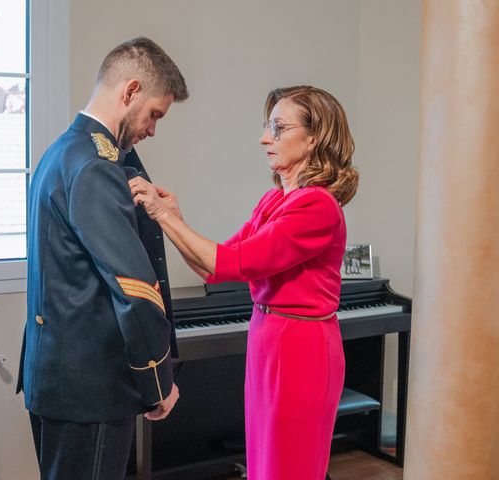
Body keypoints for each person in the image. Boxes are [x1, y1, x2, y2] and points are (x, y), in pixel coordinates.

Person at [129, 85, 359, 480]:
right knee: (265, 464)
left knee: (290, 467)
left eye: (278, 127)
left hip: (300, 347)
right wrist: (172, 217)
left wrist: (162, 215)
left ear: (314, 137)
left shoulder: (317, 205)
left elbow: (235, 263)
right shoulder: (275, 201)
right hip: (268, 335)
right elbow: (212, 269)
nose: (264, 138)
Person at [16, 37, 188, 480]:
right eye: (154, 114)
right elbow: (134, 288)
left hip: (59, 377)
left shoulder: (64, 152)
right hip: (89, 389)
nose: (153, 129)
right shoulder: (95, 167)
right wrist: (159, 383)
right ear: (130, 92)